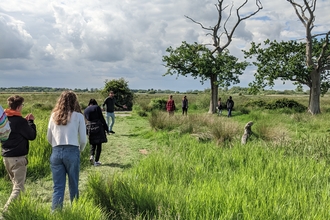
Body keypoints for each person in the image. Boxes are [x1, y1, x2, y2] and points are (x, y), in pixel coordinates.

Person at [47, 91, 87, 211]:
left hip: (56, 151)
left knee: (58, 186)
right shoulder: (79, 116)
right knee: (73, 184)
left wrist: (56, 146)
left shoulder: (54, 115)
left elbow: (49, 137)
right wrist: (80, 149)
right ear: (75, 101)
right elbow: (84, 139)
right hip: (72, 149)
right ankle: (75, 210)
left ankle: (56, 212)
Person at [1, 96, 36, 212]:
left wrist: (25, 122)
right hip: (18, 158)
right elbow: (31, 136)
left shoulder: (4, 120)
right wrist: (30, 122)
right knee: (19, 188)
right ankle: (5, 212)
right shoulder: (20, 122)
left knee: (15, 186)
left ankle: (19, 211)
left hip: (6, 158)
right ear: (19, 106)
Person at [84, 99, 108, 166]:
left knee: (93, 144)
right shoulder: (97, 107)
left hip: (89, 127)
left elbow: (85, 120)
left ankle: (92, 156)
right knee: (99, 144)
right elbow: (101, 118)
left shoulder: (86, 110)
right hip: (98, 126)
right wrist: (106, 128)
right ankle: (97, 161)